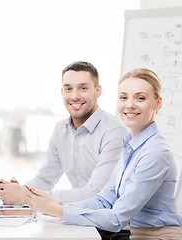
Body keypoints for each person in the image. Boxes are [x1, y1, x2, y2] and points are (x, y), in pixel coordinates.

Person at [24, 68, 182, 239]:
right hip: (136, 234)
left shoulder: (155, 152)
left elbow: (116, 218)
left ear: (158, 103)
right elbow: (104, 200)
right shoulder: (131, 146)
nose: (129, 104)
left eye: (140, 98)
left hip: (158, 236)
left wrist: (57, 210)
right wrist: (60, 205)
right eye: (123, 97)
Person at [0, 61, 128, 204]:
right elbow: (44, 179)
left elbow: (97, 193)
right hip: (79, 216)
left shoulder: (115, 132)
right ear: (62, 92)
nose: (75, 96)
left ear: (98, 91)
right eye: (68, 89)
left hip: (109, 222)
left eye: (83, 88)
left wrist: (27, 197)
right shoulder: (60, 130)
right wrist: (19, 191)